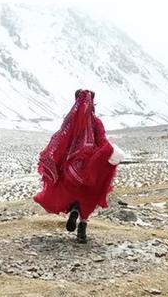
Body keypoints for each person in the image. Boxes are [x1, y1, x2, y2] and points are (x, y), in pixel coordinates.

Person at [33, 89, 125, 243]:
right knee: (90, 194)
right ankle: (82, 229)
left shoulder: (70, 121)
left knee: (68, 190)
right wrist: (108, 152)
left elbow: (60, 140)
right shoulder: (96, 122)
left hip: (71, 166)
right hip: (91, 165)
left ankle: (74, 209)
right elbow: (102, 141)